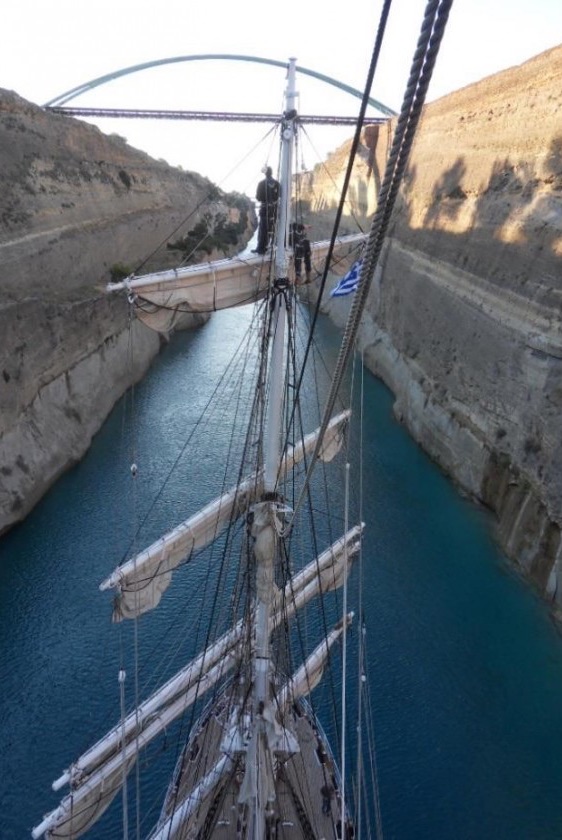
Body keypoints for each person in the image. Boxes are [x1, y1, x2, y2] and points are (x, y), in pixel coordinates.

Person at [253, 166, 280, 254]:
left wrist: (264, 198)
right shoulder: (276, 183)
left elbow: (258, 197)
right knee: (272, 227)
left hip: (265, 209)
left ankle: (261, 248)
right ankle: (271, 245)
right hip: (274, 209)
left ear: (265, 173)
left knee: (263, 228)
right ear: (271, 173)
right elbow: (278, 195)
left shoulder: (261, 183)